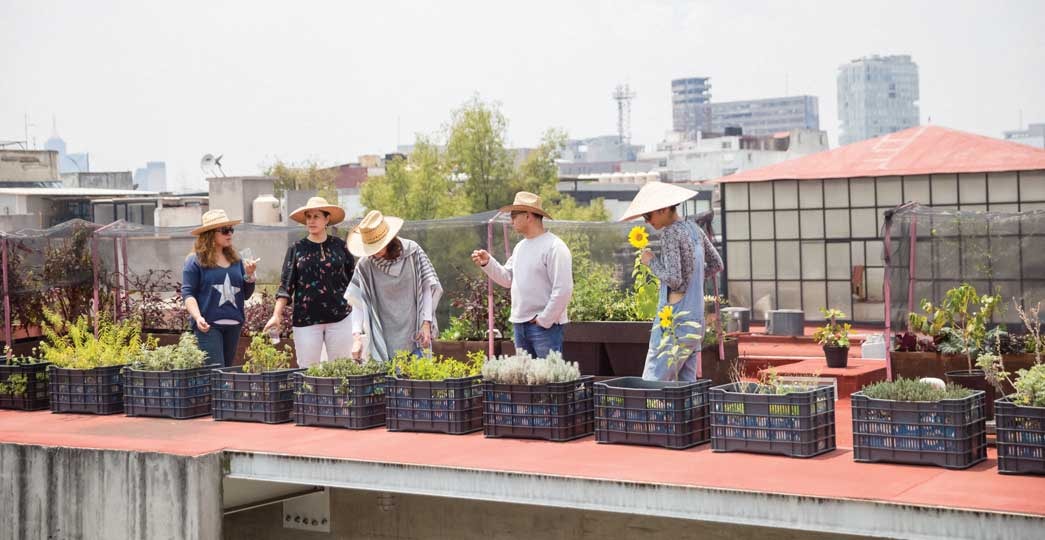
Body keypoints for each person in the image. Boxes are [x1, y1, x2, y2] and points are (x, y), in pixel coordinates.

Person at [619, 182, 723, 382]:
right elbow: (717, 264)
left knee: (653, 382)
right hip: (695, 318)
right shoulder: (694, 228)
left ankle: (647, 415)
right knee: (685, 389)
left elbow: (675, 281)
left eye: (649, 215)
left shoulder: (670, 233)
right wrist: (693, 278)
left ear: (664, 209)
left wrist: (651, 262)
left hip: (675, 320)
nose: (647, 221)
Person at [471, 191, 573, 358]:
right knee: (526, 380)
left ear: (528, 216)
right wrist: (487, 262)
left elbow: (564, 289)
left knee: (548, 379)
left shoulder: (555, 247)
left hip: (545, 328)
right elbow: (507, 279)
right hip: (520, 325)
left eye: (514, 215)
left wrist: (544, 320)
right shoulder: (520, 247)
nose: (511, 220)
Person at [264, 197, 355, 367]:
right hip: (306, 321)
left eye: (316, 216)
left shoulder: (340, 246)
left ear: (326, 219)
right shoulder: (297, 248)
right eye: (308, 217)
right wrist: (276, 315)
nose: (311, 221)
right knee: (308, 372)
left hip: (340, 318)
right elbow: (286, 285)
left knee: (342, 370)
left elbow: (353, 279)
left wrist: (361, 315)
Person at [345, 210, 442, 362]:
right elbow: (358, 302)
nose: (374, 252)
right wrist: (357, 337)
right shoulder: (365, 265)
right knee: (386, 381)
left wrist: (426, 323)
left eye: (377, 246)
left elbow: (426, 287)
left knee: (417, 379)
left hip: (413, 328)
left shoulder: (412, 252)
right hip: (383, 335)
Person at [182, 209, 257, 367]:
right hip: (208, 326)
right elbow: (188, 293)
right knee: (216, 374)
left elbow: (245, 295)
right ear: (209, 234)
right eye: (224, 230)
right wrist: (197, 317)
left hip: (234, 324)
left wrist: (249, 276)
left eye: (231, 229)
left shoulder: (236, 260)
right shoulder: (194, 261)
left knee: (226, 373)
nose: (229, 234)